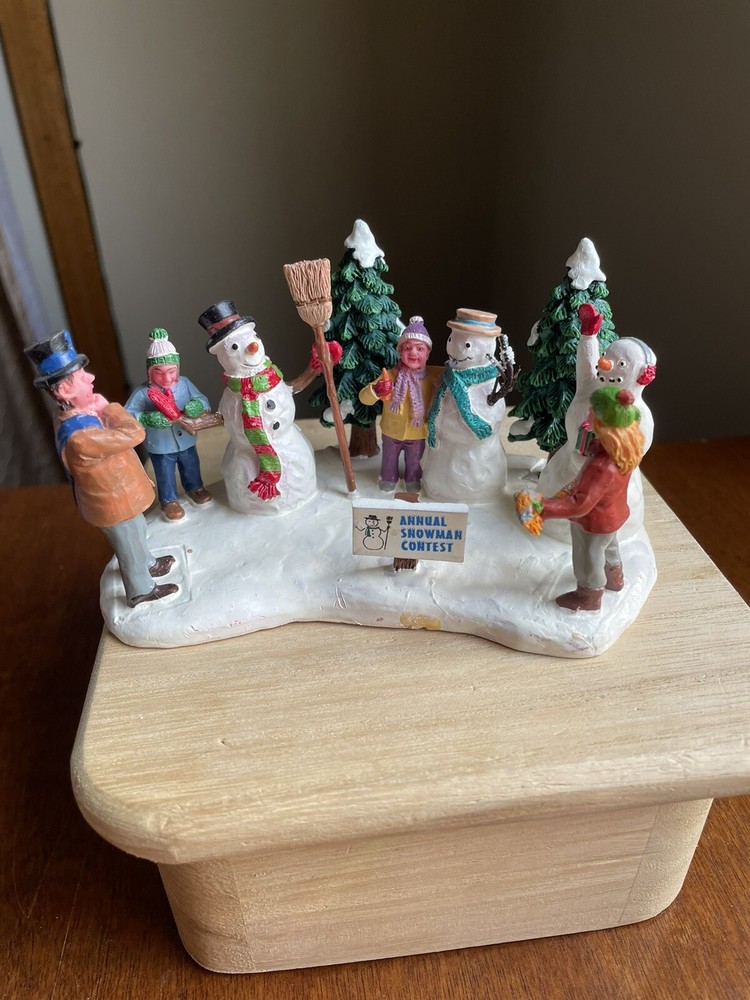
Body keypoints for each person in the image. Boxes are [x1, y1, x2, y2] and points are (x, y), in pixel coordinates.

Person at [25, 330, 178, 608]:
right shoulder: (81, 437)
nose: (91, 378)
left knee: (137, 529)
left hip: (118, 496)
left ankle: (147, 563)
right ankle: (140, 589)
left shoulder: (76, 416)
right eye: (82, 377)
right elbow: (134, 433)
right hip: (111, 503)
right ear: (65, 391)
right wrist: (108, 408)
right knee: (128, 543)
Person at [515, 385, 645, 612]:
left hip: (594, 522)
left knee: (588, 557)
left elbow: (580, 504)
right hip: (612, 515)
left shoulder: (602, 466)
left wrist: (544, 507)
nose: (588, 414)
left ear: (603, 423)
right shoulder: (622, 451)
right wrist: (567, 491)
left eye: (592, 411)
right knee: (609, 547)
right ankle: (615, 578)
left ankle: (589, 595)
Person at [125, 328, 214, 520]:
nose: (166, 378)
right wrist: (145, 418)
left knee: (191, 465)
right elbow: (126, 415)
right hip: (161, 445)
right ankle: (169, 499)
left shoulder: (185, 384)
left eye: (171, 371)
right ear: (150, 372)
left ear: (177, 369)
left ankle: (195, 488)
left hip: (186, 439)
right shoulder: (143, 393)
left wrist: (196, 406)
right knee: (165, 472)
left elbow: (203, 400)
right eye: (159, 373)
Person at [358, 316, 440, 492]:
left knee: (415, 460)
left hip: (418, 431)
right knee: (389, 458)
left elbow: (452, 374)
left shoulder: (433, 376)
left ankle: (413, 479)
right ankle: (388, 478)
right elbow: (364, 398)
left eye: (420, 348)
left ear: (427, 354)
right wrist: (376, 390)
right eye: (407, 348)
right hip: (391, 430)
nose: (413, 353)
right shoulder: (390, 376)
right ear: (400, 351)